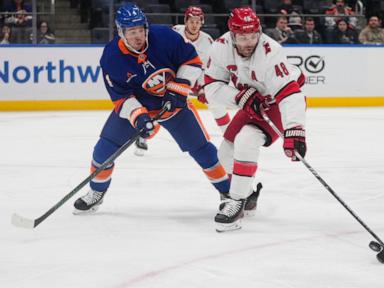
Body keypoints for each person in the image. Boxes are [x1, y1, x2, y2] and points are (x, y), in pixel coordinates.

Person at [73, 3, 237, 216]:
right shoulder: (111, 57)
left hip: (173, 106)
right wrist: (139, 117)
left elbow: (192, 61)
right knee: (103, 151)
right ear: (121, 32)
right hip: (141, 107)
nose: (138, 36)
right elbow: (121, 97)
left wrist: (178, 89)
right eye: (132, 32)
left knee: (202, 150)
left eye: (141, 30)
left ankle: (229, 193)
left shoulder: (164, 37)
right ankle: (96, 192)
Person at [204, 7, 307, 232]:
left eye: (253, 35)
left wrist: (295, 129)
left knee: (247, 140)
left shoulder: (271, 51)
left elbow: (289, 93)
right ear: (232, 35)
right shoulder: (220, 48)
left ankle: (237, 202)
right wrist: (238, 96)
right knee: (225, 154)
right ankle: (248, 195)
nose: (249, 41)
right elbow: (211, 87)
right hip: (251, 101)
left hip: (276, 103)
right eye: (242, 37)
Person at [134, 6, 231, 157]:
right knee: (162, 109)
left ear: (202, 23)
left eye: (197, 22)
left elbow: (207, 69)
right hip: (171, 78)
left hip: (193, 80)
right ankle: (144, 135)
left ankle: (232, 137)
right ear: (185, 21)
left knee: (216, 103)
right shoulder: (174, 32)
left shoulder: (208, 41)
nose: (194, 25)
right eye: (191, 21)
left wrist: (203, 88)